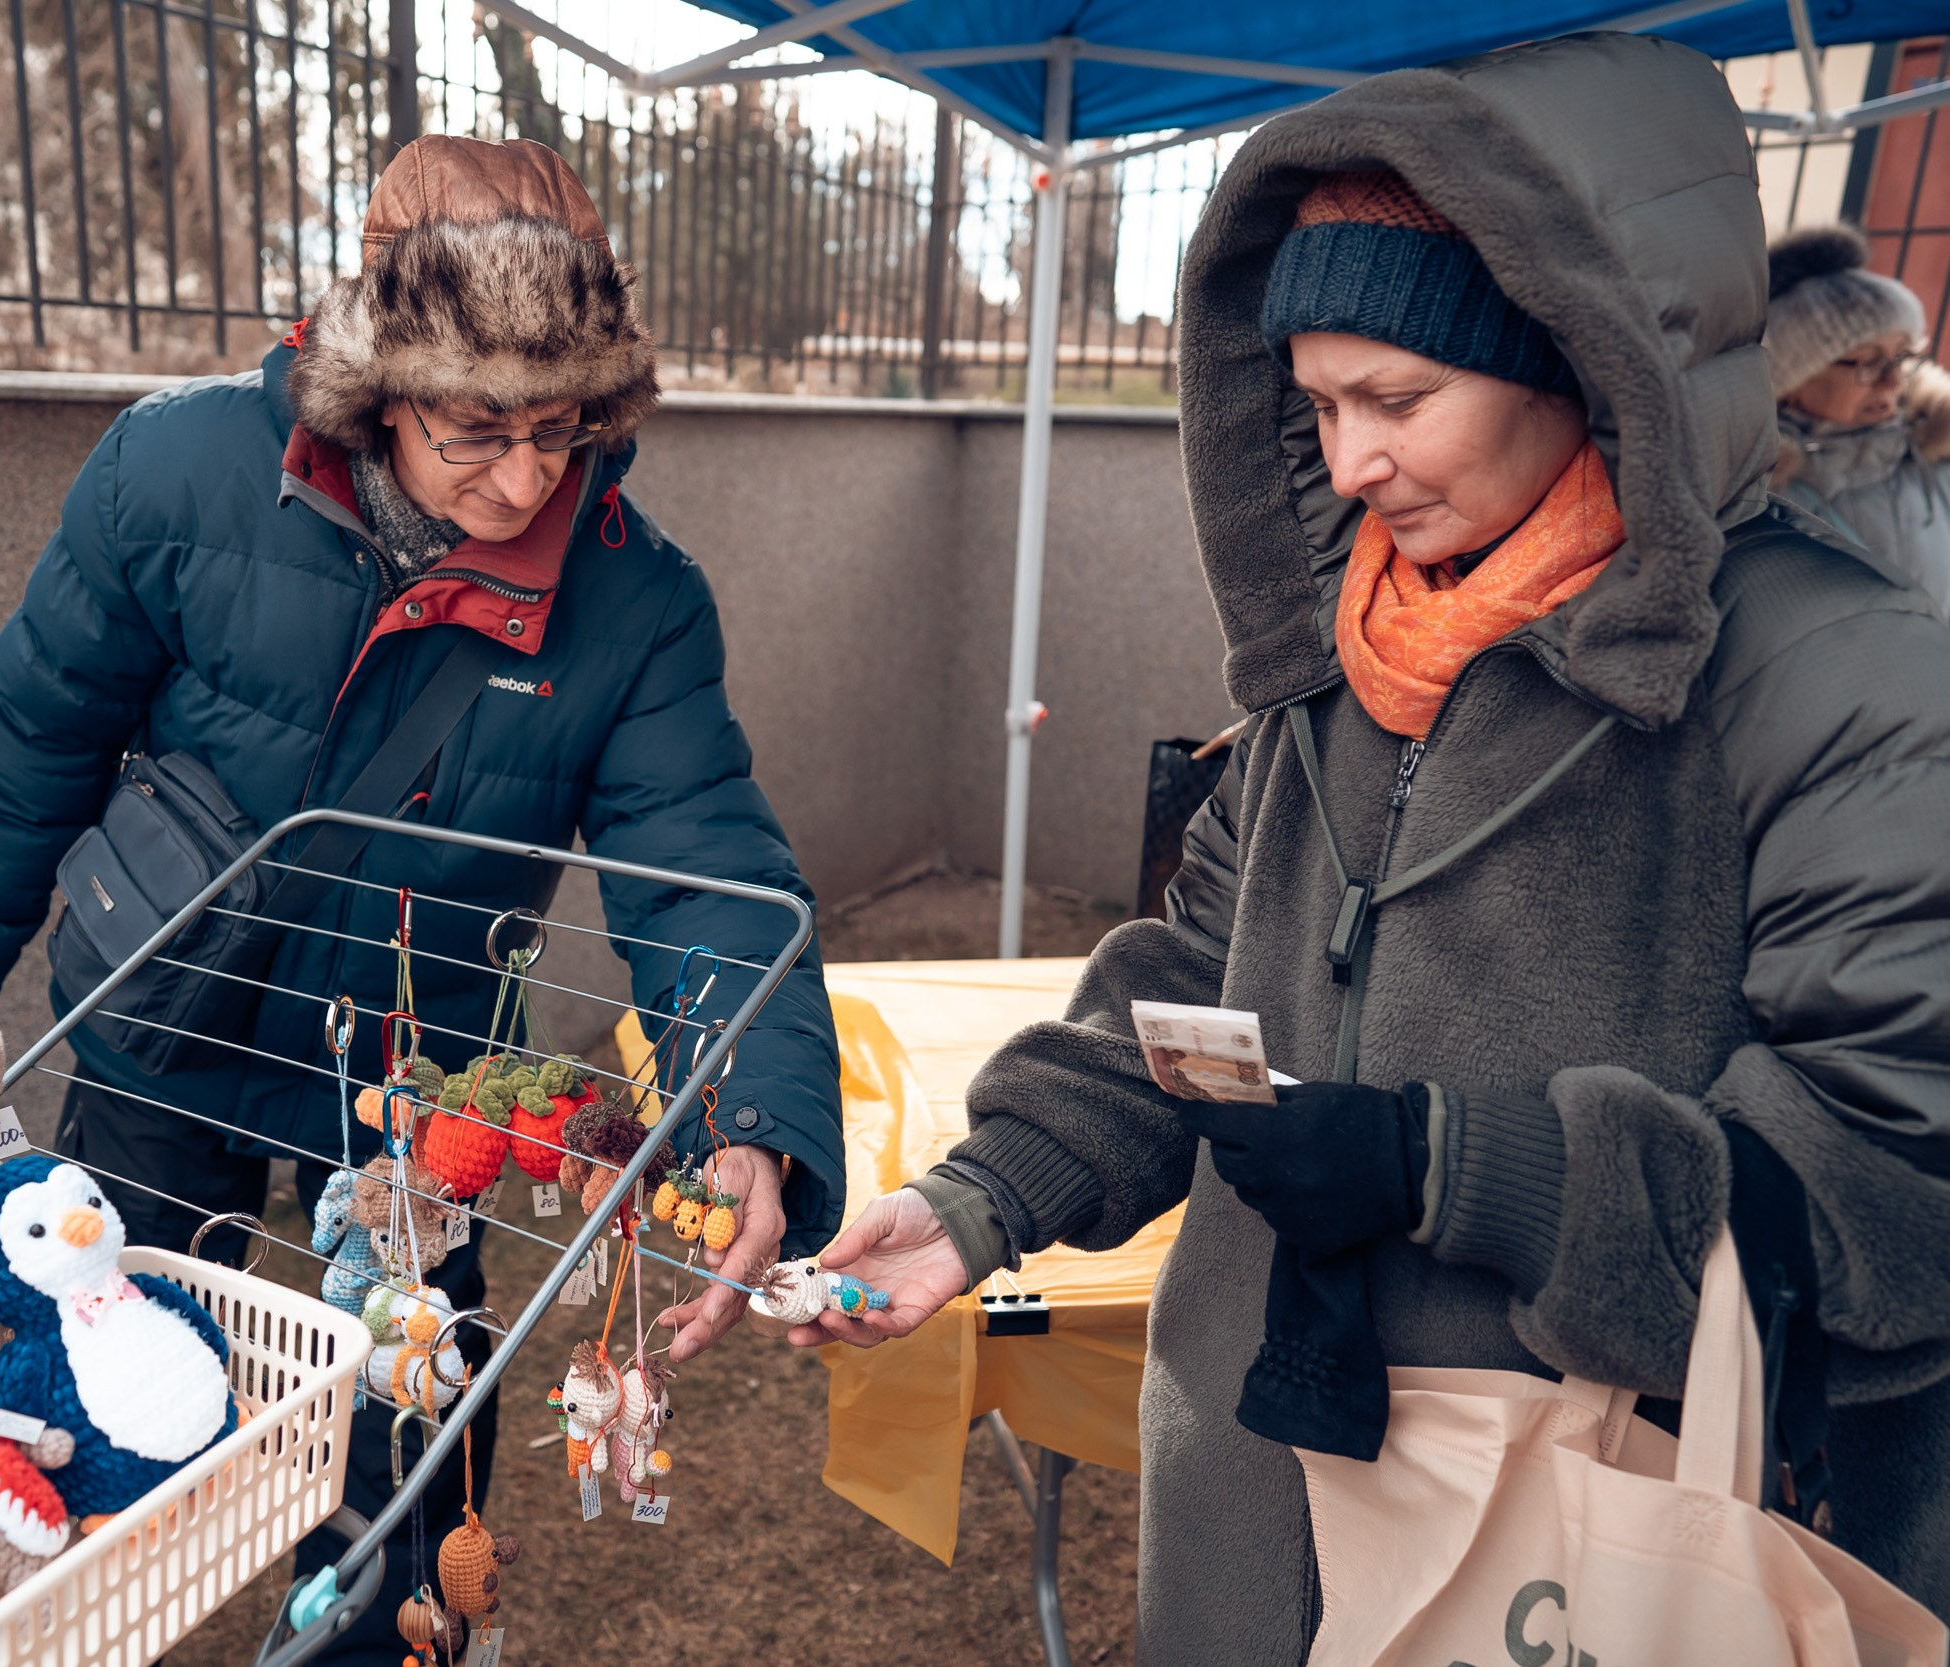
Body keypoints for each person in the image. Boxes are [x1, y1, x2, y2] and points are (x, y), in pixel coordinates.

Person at [799, 33, 1950, 1662]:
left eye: (1398, 398)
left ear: (1583, 356)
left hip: (1595, 1557)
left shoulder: (1850, 684)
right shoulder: (1353, 644)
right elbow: (1199, 986)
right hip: (1262, 1509)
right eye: (1319, 401)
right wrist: (986, 1194)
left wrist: (1455, 1166)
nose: (1348, 463)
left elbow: (1892, 1187)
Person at [0, 135, 841, 1658]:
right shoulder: (174, 471)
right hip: (156, 1028)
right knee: (80, 1417)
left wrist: (758, 1118)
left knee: (397, 1474)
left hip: (414, 1089)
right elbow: (27, 761)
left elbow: (706, 864)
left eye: (565, 426)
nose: (526, 478)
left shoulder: (636, 598)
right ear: (377, 369)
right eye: (476, 427)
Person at [1765, 223, 1950, 618]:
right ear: (1792, 379)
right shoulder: (1755, 493)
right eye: (1869, 361)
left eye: (1901, 356)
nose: (1893, 379)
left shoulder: (1936, 457)